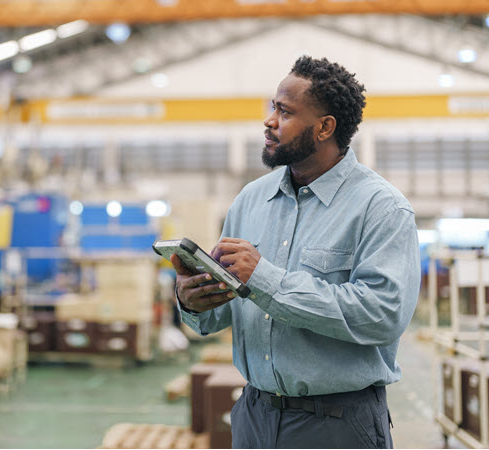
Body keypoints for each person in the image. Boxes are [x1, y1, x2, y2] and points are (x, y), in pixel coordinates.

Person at [171, 56, 420, 449]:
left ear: (325, 127)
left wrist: (265, 277)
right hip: (255, 415)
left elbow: (383, 315)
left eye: (285, 112)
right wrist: (195, 301)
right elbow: (225, 312)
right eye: (273, 107)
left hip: (337, 425)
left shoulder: (380, 208)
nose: (270, 121)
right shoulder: (250, 200)